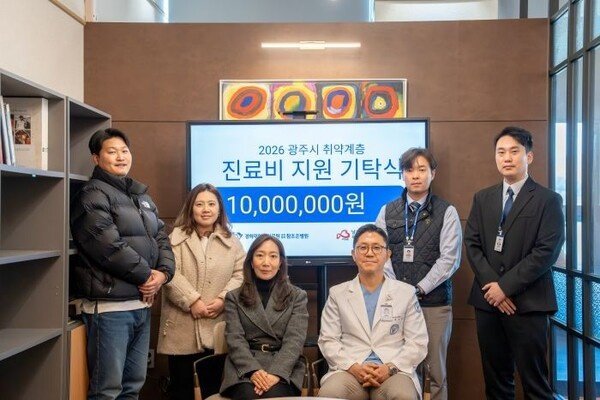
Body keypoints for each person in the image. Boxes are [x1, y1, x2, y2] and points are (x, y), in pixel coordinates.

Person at [70, 128, 175, 400]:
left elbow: (162, 238)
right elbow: (107, 246)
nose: (120, 157)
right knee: (107, 390)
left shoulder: (141, 196)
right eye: (112, 151)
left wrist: (163, 274)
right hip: (110, 309)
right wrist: (147, 276)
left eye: (124, 151)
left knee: (132, 387)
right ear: (96, 158)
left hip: (141, 305)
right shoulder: (91, 195)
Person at [464, 126, 565, 399]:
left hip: (529, 303)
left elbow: (546, 251)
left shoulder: (548, 200)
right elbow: (472, 244)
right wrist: (493, 287)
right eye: (501, 152)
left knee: (535, 384)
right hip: (488, 302)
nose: (506, 158)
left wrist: (505, 288)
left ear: (528, 156)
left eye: (514, 151)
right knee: (496, 382)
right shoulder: (482, 198)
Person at [375, 147, 462, 400]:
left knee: (435, 373)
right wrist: (400, 290)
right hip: (395, 304)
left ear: (433, 173)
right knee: (398, 370)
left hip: (434, 304)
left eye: (422, 169)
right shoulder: (387, 211)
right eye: (409, 170)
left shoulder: (447, 211)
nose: (415, 175)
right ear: (402, 174)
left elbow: (450, 260)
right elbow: (380, 253)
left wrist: (419, 288)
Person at [318, 224, 428, 400]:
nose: (369, 253)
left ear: (387, 254)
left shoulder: (406, 293)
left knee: (403, 396)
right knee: (329, 394)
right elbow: (328, 340)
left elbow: (417, 343)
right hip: (349, 370)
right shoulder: (337, 294)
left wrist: (389, 368)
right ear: (353, 254)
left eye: (377, 248)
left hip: (394, 370)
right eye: (363, 248)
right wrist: (354, 367)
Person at [157, 183, 245, 400]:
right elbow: (169, 273)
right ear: (191, 208)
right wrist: (192, 301)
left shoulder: (232, 241)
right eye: (199, 204)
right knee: (182, 389)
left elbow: (241, 275)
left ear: (219, 208)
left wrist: (223, 299)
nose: (206, 209)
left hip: (217, 325)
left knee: (213, 390)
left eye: (211, 204)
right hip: (181, 326)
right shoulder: (174, 239)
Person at [219, 234, 308, 399]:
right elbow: (235, 339)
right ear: (251, 262)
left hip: (283, 368)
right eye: (260, 255)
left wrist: (276, 373)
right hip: (244, 369)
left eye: (273, 256)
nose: (266, 262)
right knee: (249, 394)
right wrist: (253, 371)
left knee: (274, 395)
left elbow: (295, 340)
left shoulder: (297, 296)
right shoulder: (234, 297)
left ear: (280, 263)